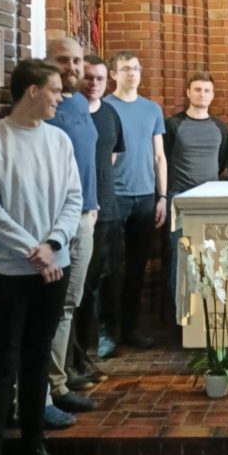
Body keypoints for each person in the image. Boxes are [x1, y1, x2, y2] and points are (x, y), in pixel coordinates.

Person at [0, 59, 82, 455]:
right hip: (5, 272)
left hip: (53, 266)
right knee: (3, 363)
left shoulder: (59, 141)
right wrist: (32, 251)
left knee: (37, 361)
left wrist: (52, 244)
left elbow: (73, 198)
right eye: (54, 90)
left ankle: (35, 449)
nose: (60, 98)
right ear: (32, 91)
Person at [42, 37, 99, 429]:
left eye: (77, 60)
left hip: (84, 217)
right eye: (64, 60)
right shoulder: (45, 106)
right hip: (55, 221)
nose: (73, 67)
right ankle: (47, 388)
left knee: (68, 304)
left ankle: (58, 382)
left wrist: (93, 207)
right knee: (52, 305)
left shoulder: (78, 103)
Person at [102, 51, 167, 357]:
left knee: (138, 266)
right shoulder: (104, 107)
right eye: (126, 68)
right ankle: (107, 332)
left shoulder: (151, 109)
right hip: (114, 196)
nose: (132, 73)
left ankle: (131, 327)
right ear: (113, 74)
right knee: (110, 267)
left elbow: (159, 156)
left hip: (144, 196)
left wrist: (162, 196)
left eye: (136, 68)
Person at [73, 54, 125, 376]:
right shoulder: (70, 113)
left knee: (107, 276)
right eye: (89, 77)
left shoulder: (110, 113)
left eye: (100, 79)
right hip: (78, 209)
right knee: (80, 284)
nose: (94, 83)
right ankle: (78, 351)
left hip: (107, 205)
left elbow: (113, 155)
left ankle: (106, 336)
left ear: (107, 82)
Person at [165, 71, 228, 293]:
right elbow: (163, 159)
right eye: (198, 90)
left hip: (209, 199)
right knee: (180, 254)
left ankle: (203, 307)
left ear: (212, 95)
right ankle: (179, 310)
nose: (202, 94)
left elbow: (221, 162)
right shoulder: (174, 124)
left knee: (209, 252)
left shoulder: (220, 127)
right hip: (179, 197)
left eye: (207, 90)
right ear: (188, 93)